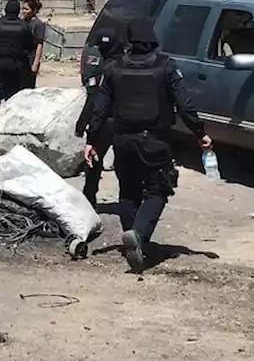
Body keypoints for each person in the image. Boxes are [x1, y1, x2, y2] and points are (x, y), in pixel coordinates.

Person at [86, 17, 210, 273]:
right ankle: (139, 236)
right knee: (158, 189)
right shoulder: (166, 66)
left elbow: (100, 109)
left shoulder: (113, 67)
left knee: (128, 192)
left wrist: (92, 142)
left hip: (123, 142)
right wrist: (200, 133)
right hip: (156, 140)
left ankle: (134, 239)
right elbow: (184, 104)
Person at [75, 27, 123, 206]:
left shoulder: (104, 70)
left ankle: (89, 198)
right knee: (123, 164)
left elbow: (95, 101)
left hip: (106, 122)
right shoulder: (127, 64)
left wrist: (85, 128)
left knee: (94, 160)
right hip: (124, 122)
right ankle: (128, 200)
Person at [22, 0, 47, 88]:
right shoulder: (22, 22)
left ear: (34, 10)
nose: (24, 11)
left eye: (26, 9)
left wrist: (35, 63)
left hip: (31, 57)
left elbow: (40, 44)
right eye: (23, 9)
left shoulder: (38, 24)